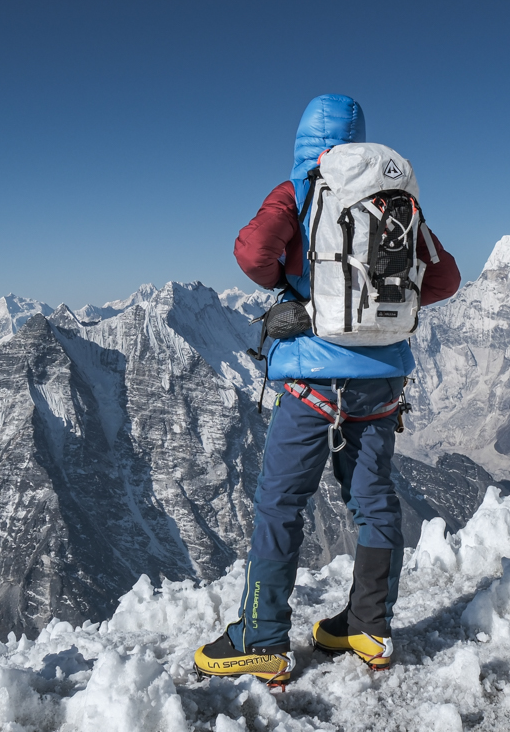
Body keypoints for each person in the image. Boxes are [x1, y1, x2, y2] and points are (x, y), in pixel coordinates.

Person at [193, 94, 461, 685]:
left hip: (315, 379)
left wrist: (304, 300)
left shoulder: (298, 188)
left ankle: (261, 638)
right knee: (374, 500)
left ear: (303, 139)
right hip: (384, 382)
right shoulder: (392, 199)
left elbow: (253, 252)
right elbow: (444, 278)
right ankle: (369, 625)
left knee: (281, 503)